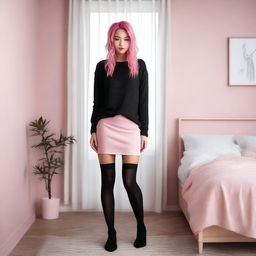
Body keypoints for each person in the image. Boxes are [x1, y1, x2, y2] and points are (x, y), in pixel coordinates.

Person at [89, 21, 149, 252]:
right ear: (110, 40)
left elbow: (144, 101)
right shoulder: (102, 66)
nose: (121, 43)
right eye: (117, 38)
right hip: (106, 127)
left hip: (131, 129)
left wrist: (144, 132)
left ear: (131, 40)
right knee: (108, 182)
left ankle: (141, 227)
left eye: (125, 38)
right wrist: (92, 129)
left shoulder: (139, 66)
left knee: (129, 181)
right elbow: (96, 101)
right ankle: (111, 233)